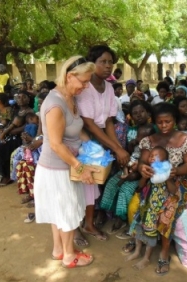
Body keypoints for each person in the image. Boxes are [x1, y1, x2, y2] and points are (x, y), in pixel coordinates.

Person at [34, 55, 97, 268]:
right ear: (70, 76)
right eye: (84, 81)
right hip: (57, 169)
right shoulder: (55, 105)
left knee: (58, 211)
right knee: (67, 212)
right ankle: (70, 256)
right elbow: (56, 144)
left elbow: (76, 132)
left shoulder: (71, 97)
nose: (86, 86)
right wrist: (81, 167)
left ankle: (59, 250)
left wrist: (93, 149)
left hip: (66, 166)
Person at [76, 45, 130, 241]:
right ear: (92, 63)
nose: (108, 66)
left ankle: (89, 223)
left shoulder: (108, 88)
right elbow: (89, 124)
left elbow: (107, 121)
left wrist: (119, 149)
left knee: (92, 184)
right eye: (103, 62)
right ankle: (75, 227)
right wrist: (116, 148)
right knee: (79, 183)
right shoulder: (84, 87)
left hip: (99, 140)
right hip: (82, 139)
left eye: (110, 62)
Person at [138, 102, 187, 275]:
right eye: (159, 122)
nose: (163, 126)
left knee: (167, 212)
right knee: (142, 206)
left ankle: (164, 252)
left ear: (175, 121)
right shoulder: (148, 141)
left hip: (177, 184)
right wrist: (143, 168)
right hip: (154, 183)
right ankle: (142, 241)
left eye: (168, 122)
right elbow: (142, 162)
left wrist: (175, 171)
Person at [100, 100, 153, 234]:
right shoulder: (130, 130)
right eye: (135, 113)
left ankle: (122, 217)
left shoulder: (153, 130)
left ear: (148, 112)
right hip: (130, 165)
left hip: (145, 171)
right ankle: (111, 213)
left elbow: (153, 156)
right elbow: (128, 151)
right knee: (111, 184)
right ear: (131, 116)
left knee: (125, 189)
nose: (139, 115)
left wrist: (137, 173)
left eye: (142, 111)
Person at [126, 146, 177, 270]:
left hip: (154, 213)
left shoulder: (166, 173)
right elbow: (140, 186)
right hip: (143, 207)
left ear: (164, 161)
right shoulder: (148, 172)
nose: (152, 157)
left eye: (156, 156)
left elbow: (173, 191)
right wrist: (144, 176)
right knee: (137, 230)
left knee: (150, 234)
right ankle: (138, 251)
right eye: (150, 156)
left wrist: (168, 179)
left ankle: (146, 258)